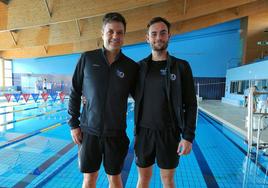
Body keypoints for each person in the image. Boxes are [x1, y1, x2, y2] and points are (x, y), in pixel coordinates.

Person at [68, 12, 139, 188]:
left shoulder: (130, 67)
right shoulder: (87, 58)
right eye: (111, 31)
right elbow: (75, 91)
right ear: (103, 33)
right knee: (89, 178)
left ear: (124, 35)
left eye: (120, 32)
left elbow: (142, 99)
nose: (115, 36)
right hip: (89, 132)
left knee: (114, 178)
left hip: (115, 134)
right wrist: (74, 125)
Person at [134, 17, 197, 188]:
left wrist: (188, 137)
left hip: (169, 133)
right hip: (144, 133)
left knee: (167, 180)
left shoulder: (181, 67)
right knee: (143, 179)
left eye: (163, 33)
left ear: (169, 36)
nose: (158, 38)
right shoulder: (139, 68)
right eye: (154, 34)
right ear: (147, 38)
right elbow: (118, 90)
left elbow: (191, 104)